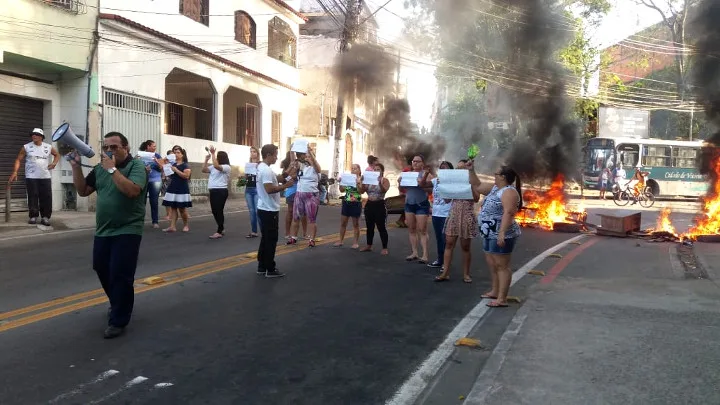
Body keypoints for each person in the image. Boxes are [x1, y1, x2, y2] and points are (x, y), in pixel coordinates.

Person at [69, 131, 148, 339]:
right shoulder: (100, 168)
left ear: (126, 148)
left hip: (128, 229)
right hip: (104, 229)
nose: (110, 151)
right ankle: (117, 302)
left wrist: (112, 169)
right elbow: (83, 190)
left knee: (120, 272)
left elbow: (132, 191)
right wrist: (76, 166)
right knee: (101, 267)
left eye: (114, 147)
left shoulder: (136, 166)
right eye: (106, 147)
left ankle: (118, 319)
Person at [470, 163, 522, 308]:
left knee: (502, 265)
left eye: (496, 174)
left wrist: (502, 233)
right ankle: (495, 291)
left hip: (499, 232)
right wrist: (471, 169)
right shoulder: (495, 188)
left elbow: (509, 212)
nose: (494, 175)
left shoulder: (509, 192)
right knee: (493, 263)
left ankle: (502, 298)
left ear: (503, 177)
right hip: (489, 232)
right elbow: (477, 186)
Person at [434, 160, 480, 283]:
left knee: (465, 246)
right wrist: (442, 186)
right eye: (458, 168)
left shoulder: (471, 180)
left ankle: (466, 274)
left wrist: (469, 186)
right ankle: (445, 273)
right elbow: (447, 200)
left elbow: (476, 199)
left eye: (462, 167)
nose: (459, 170)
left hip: (467, 215)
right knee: (449, 244)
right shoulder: (453, 182)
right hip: (454, 214)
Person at [256, 144, 296, 278]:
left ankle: (262, 266)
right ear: (268, 155)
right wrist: (286, 186)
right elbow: (269, 189)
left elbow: (277, 178)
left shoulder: (263, 167)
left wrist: (289, 170)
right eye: (275, 154)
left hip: (264, 207)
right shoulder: (266, 170)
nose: (276, 157)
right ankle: (270, 268)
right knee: (271, 240)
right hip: (269, 208)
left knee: (265, 238)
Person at [8, 128, 60, 226]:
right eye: (32, 134)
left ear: (41, 137)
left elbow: (57, 155)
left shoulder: (48, 147)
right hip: (31, 176)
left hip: (45, 176)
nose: (34, 136)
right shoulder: (26, 147)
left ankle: (45, 217)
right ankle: (33, 216)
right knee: (32, 196)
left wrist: (54, 163)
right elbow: (18, 159)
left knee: (46, 197)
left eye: (36, 134)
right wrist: (15, 172)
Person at [420, 160, 454, 269]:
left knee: (446, 240)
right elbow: (422, 184)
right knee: (439, 238)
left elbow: (448, 200)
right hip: (436, 213)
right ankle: (440, 260)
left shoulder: (452, 183)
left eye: (445, 168)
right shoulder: (435, 181)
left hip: (446, 214)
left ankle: (446, 263)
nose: (443, 170)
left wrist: (442, 184)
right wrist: (426, 173)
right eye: (441, 168)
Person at [288, 146, 321, 247]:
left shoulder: (315, 168)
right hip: (299, 194)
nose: (306, 158)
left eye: (309, 157)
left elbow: (317, 166)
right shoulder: (301, 166)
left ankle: (311, 239)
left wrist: (310, 154)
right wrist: (291, 150)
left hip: (311, 195)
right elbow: (293, 161)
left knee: (311, 218)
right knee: (295, 217)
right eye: (305, 157)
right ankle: (293, 237)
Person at [402, 154, 431, 263]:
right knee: (411, 229)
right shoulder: (407, 174)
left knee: (422, 230)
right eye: (414, 161)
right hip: (409, 203)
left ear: (422, 163)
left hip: (421, 204)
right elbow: (403, 188)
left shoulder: (427, 175)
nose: (415, 163)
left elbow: (431, 189)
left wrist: (422, 184)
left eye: (418, 161)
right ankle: (414, 252)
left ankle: (425, 254)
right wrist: (400, 181)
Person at [359, 162, 390, 255]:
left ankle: (385, 247)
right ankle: (369, 245)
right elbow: (361, 191)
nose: (376, 171)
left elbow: (384, 190)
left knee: (381, 227)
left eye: (378, 170)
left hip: (379, 204)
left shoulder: (384, 180)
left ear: (382, 171)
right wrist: (361, 182)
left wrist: (379, 182)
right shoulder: (369, 180)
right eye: (375, 170)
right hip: (369, 204)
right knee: (369, 226)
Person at [162, 146, 192, 232]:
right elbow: (170, 175)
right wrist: (166, 168)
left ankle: (186, 225)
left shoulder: (185, 165)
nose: (176, 154)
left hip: (182, 188)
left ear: (182, 155)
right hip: (173, 187)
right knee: (173, 208)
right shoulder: (173, 164)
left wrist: (176, 170)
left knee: (182, 209)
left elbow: (186, 176)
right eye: (175, 153)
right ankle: (172, 226)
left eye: (178, 153)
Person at [203, 146, 231, 239]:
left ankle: (219, 230)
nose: (216, 158)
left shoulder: (226, 167)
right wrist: (206, 160)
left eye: (218, 156)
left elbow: (216, 166)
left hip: (221, 191)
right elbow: (204, 170)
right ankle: (221, 228)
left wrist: (213, 153)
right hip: (213, 191)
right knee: (215, 210)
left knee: (218, 210)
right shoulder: (213, 167)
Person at [280, 151, 307, 240]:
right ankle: (288, 233)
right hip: (292, 189)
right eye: (304, 154)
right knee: (291, 211)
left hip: (303, 189)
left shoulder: (307, 163)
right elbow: (286, 176)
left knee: (303, 212)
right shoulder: (292, 163)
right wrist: (295, 177)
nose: (305, 155)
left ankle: (305, 233)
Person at [334, 163, 362, 248]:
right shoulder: (348, 178)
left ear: (359, 170)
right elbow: (342, 190)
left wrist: (357, 183)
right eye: (352, 168)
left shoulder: (361, 179)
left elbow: (361, 191)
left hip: (356, 202)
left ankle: (355, 242)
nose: (353, 170)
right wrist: (340, 182)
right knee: (343, 222)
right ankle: (341, 240)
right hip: (346, 201)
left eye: (355, 168)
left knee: (355, 224)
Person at [138, 140, 163, 228]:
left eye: (155, 146)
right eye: (153, 146)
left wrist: (157, 161)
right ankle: (140, 221)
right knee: (141, 201)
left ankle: (155, 222)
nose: (155, 148)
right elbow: (135, 166)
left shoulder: (157, 156)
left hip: (155, 181)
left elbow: (161, 168)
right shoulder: (140, 155)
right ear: (148, 147)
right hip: (143, 180)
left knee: (154, 201)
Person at [244, 146, 261, 238]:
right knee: (251, 211)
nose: (252, 153)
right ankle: (254, 231)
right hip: (248, 188)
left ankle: (263, 230)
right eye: (251, 151)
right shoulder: (248, 164)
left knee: (258, 211)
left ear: (257, 153)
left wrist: (258, 168)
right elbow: (246, 177)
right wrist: (242, 178)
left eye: (254, 151)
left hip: (257, 188)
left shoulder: (261, 164)